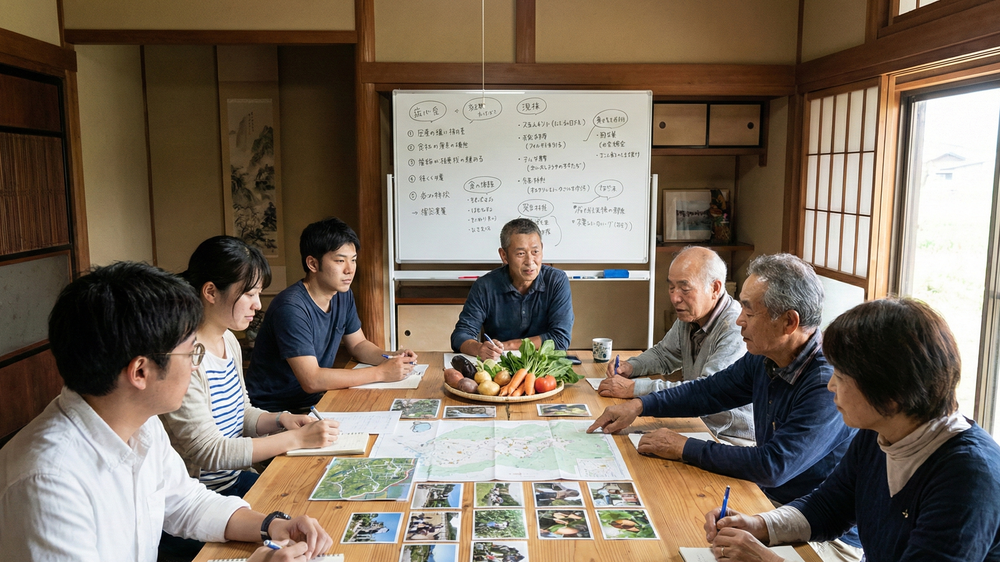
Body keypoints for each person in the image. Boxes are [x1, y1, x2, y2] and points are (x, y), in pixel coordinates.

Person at [0, 262, 332, 561]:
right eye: (191, 353)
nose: (195, 365)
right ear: (140, 372)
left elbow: (186, 502)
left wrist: (273, 525)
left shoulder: (141, 424)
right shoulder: (49, 481)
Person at [588, 253, 861, 559]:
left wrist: (683, 447)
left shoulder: (826, 382)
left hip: (824, 535)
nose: (739, 318)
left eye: (749, 309)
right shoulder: (765, 356)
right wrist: (640, 404)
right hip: (768, 509)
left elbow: (772, 466)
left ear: (789, 321)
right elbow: (710, 391)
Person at [704, 298, 1000, 562]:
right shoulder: (880, 433)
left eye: (841, 376)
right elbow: (829, 507)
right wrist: (759, 525)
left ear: (891, 394)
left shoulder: (968, 477)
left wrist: (767, 560)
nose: (831, 385)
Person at [160, 236, 340, 491]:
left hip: (236, 479)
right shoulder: (183, 358)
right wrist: (296, 438)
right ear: (210, 291)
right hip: (200, 496)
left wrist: (282, 420)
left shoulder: (229, 341)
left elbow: (240, 412)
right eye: (249, 293)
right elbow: (208, 451)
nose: (257, 304)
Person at [246, 217, 417, 412]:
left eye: (353, 260)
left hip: (317, 402)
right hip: (277, 411)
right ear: (312, 263)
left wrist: (389, 357)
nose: (350, 269)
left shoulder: (342, 295)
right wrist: (381, 373)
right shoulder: (291, 308)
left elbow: (358, 345)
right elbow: (312, 380)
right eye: (339, 260)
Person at [599, 246, 754, 444]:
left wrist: (635, 389)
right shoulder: (690, 316)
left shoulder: (734, 328)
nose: (674, 298)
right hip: (695, 421)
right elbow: (664, 354)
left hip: (727, 436)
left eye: (684, 288)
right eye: (671, 287)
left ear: (715, 288)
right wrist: (631, 366)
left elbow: (705, 391)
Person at [451, 218, 574, 359]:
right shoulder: (485, 286)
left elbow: (560, 339)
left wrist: (507, 346)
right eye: (521, 254)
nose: (530, 261)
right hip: (499, 366)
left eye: (535, 252)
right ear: (504, 255)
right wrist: (480, 349)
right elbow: (460, 335)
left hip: (543, 366)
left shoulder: (556, 280)